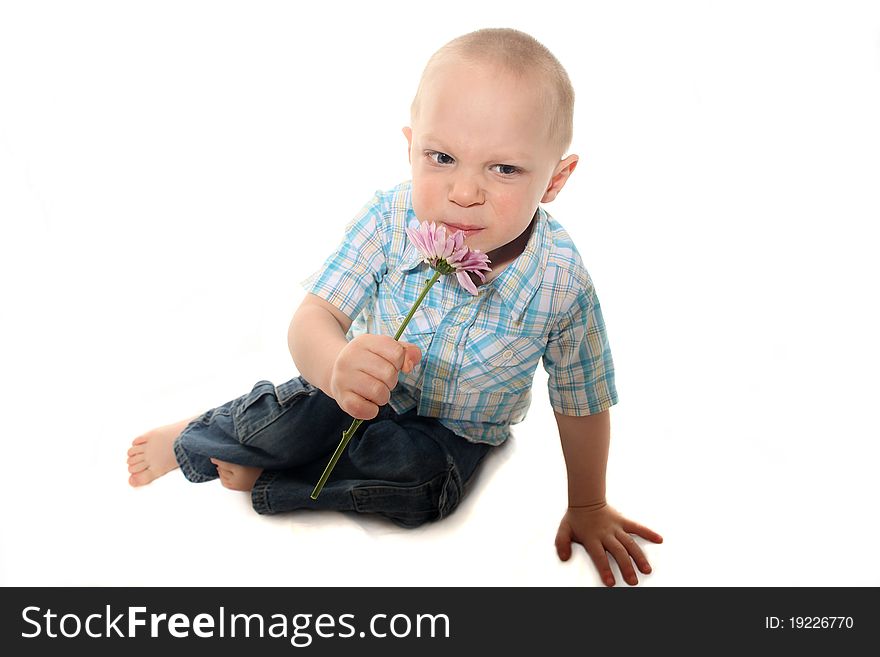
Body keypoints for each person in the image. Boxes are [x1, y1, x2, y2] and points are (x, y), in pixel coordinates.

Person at [126, 27, 662, 586]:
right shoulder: (388, 219)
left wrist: (588, 506)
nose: (464, 191)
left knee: (426, 493)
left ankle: (273, 478)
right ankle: (197, 437)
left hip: (456, 432)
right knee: (294, 417)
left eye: (504, 169)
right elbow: (315, 320)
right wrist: (336, 365)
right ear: (411, 147)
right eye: (442, 157)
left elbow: (583, 398)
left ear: (556, 179)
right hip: (353, 389)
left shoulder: (561, 280)